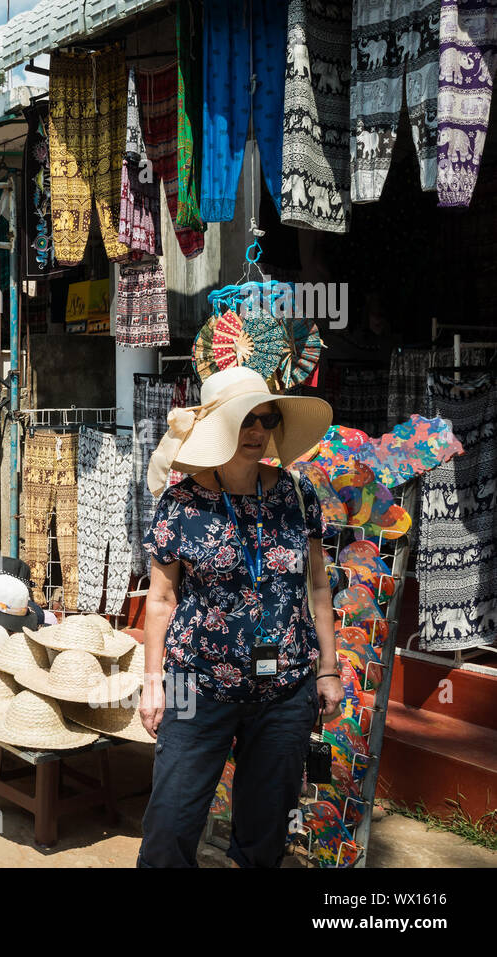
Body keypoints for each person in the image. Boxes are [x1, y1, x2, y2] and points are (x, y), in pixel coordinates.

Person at [137, 367, 342, 868]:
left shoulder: (297, 495)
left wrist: (329, 669)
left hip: (285, 688)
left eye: (266, 419)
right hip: (195, 681)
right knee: (170, 823)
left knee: (265, 831)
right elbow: (160, 601)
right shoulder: (180, 503)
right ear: (217, 427)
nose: (256, 431)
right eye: (244, 419)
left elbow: (317, 584)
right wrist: (152, 681)